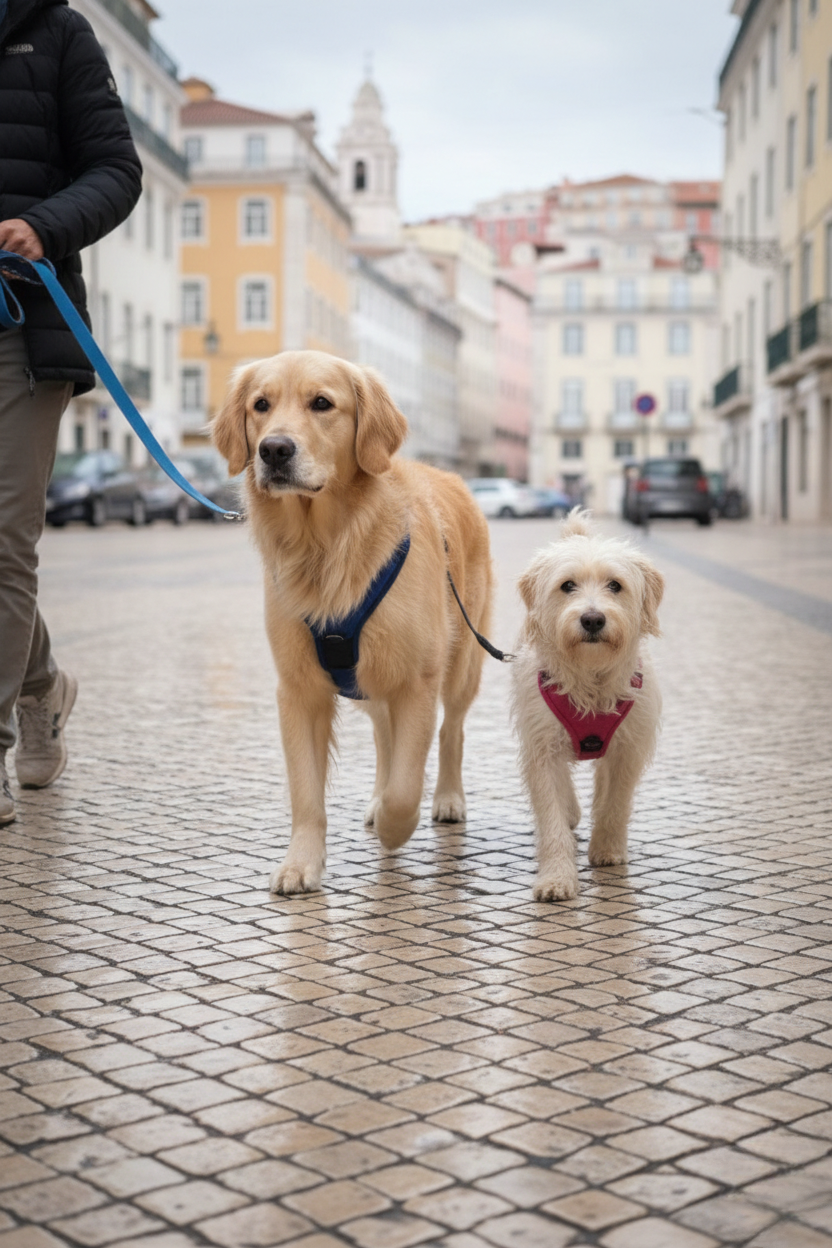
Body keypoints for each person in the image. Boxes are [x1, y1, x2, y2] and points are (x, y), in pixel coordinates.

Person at [0, 0, 143, 824]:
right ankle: (44, 686)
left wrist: (41, 226)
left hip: (22, 326)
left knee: (4, 541)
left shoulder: (58, 30)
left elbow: (116, 169)